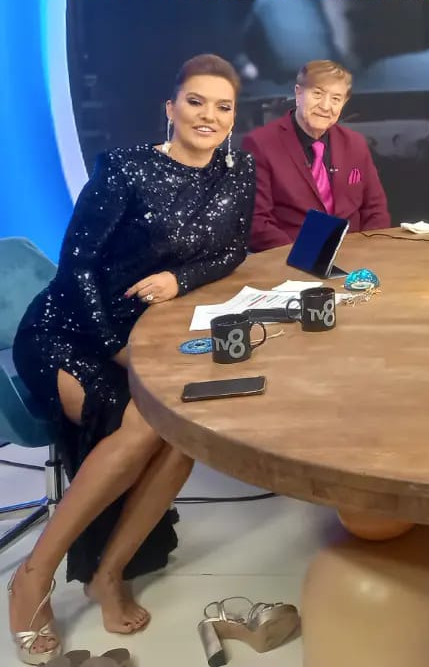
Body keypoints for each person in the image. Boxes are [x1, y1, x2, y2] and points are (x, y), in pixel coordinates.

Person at [8, 55, 255, 663]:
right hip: (71, 329)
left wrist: (177, 279)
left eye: (223, 106)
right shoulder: (124, 169)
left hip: (149, 334)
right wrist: (120, 349)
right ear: (170, 108)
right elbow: (77, 269)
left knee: (181, 433)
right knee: (148, 423)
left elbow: (231, 251)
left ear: (233, 118)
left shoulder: (238, 170)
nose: (209, 115)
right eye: (195, 101)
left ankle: (107, 574)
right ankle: (33, 577)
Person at [242, 59, 390, 251]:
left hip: (354, 255)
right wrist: (304, 257)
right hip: (290, 257)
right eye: (318, 94)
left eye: (335, 99)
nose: (326, 106)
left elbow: (375, 210)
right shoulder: (260, 144)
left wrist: (369, 251)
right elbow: (257, 222)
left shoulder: (355, 144)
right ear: (298, 93)